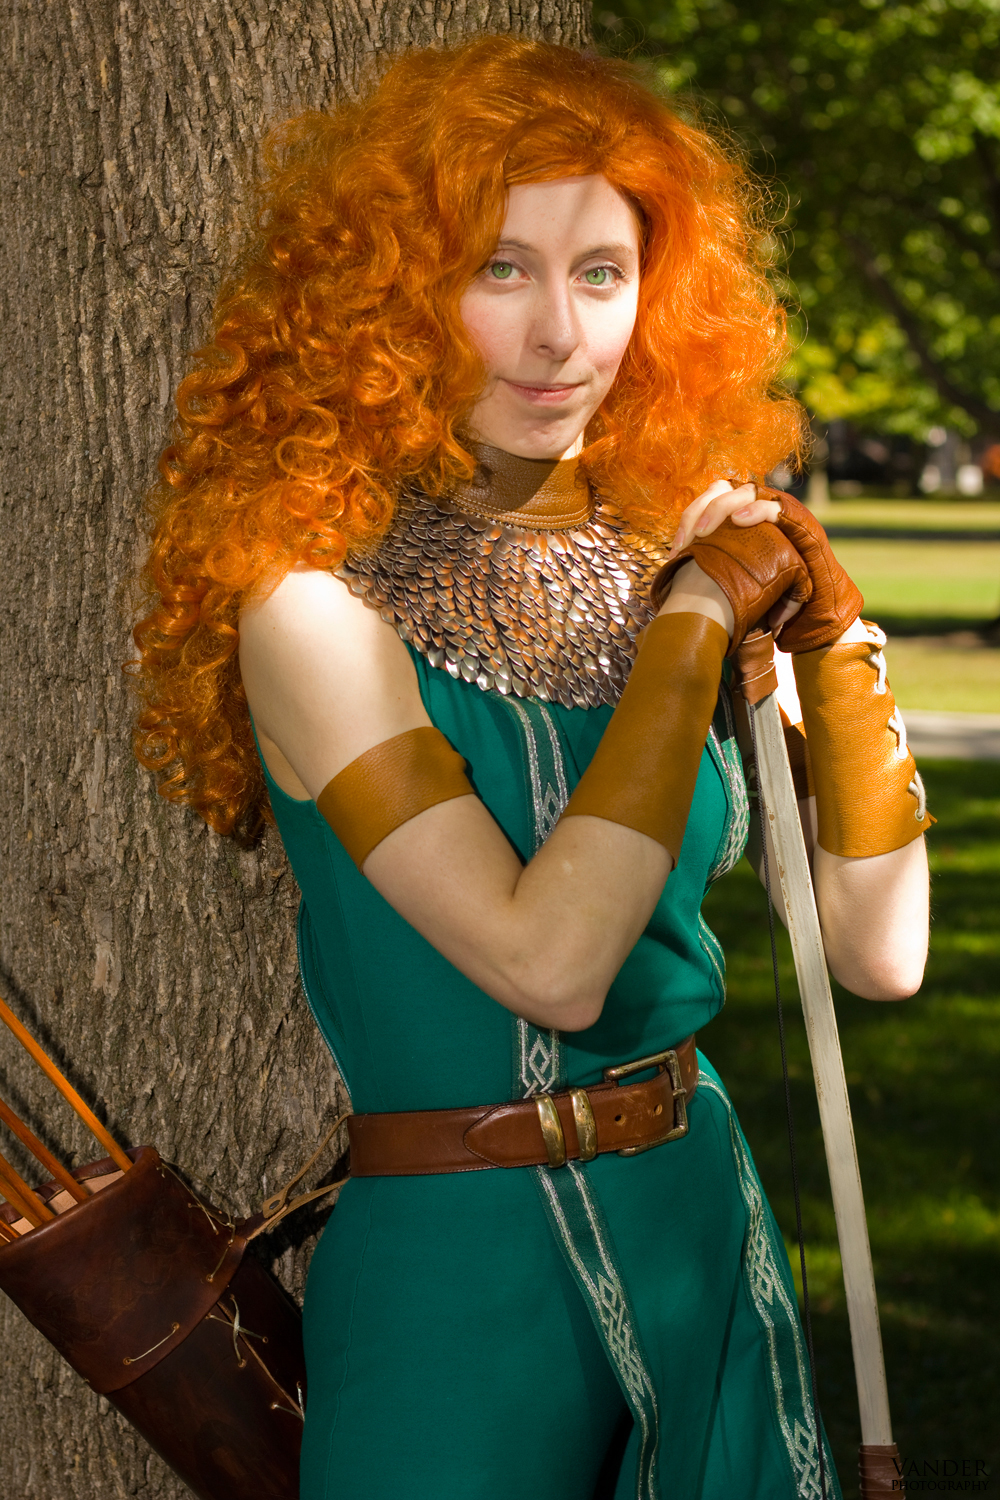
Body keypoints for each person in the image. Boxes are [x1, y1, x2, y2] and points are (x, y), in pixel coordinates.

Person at [132, 38, 931, 1500]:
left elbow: (882, 955)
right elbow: (548, 966)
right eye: (500, 269)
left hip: (700, 1228)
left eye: (602, 275)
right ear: (393, 293)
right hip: (461, 1277)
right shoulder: (313, 610)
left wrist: (834, 648)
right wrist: (693, 626)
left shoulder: (661, 553)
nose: (559, 333)